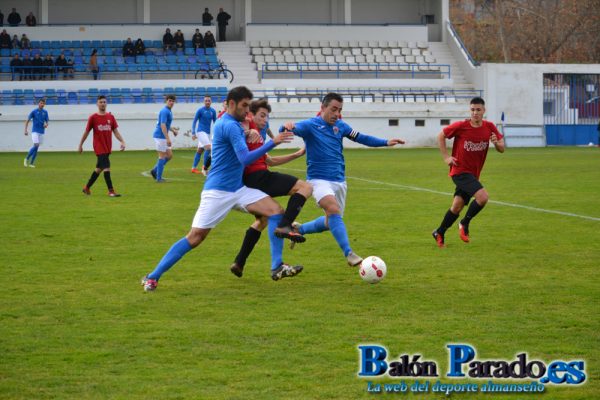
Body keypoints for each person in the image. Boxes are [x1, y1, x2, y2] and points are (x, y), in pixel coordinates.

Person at [141, 86, 299, 292]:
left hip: (238, 189)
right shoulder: (229, 125)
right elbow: (245, 158)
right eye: (244, 106)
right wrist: (273, 142)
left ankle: (277, 266)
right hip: (217, 191)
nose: (247, 111)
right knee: (195, 237)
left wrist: (251, 131)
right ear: (231, 104)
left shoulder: (236, 123)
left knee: (275, 212)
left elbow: (248, 134)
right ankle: (152, 277)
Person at [281, 92, 405, 266]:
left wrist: (385, 141)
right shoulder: (310, 125)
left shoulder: (341, 126)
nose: (337, 114)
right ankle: (349, 253)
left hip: (339, 181)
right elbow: (290, 128)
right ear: (323, 108)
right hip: (318, 180)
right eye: (333, 109)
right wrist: (286, 127)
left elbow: (362, 138)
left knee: (330, 221)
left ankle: (299, 229)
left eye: (339, 110)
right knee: (332, 209)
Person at [230, 99, 311, 277]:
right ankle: (285, 226)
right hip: (258, 178)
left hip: (251, 182)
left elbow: (270, 161)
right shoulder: (246, 126)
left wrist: (297, 154)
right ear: (250, 114)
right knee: (305, 188)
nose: (266, 120)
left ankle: (240, 262)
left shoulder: (259, 136)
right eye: (262, 115)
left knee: (264, 220)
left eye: (267, 116)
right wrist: (247, 130)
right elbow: (236, 126)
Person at [431, 97, 505, 247]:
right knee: (483, 197)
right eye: (472, 109)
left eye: (478, 110)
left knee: (457, 206)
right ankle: (464, 223)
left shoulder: (489, 127)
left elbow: (502, 148)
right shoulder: (461, 126)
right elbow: (441, 136)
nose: (475, 112)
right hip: (460, 171)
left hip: (473, 174)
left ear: (484, 111)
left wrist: (496, 143)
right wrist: (446, 157)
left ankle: (439, 232)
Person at [79, 95, 126, 197]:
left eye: (104, 102)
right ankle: (111, 191)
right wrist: (81, 144)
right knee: (107, 168)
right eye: (101, 102)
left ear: (106, 103)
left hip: (107, 147)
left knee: (98, 169)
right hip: (99, 147)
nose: (103, 104)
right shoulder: (93, 118)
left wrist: (122, 141)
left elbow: (116, 132)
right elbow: (86, 132)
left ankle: (86, 188)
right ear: (97, 104)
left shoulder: (111, 117)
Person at [149, 95, 179, 182]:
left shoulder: (169, 111)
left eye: (173, 101)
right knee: (162, 157)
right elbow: (162, 125)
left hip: (162, 137)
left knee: (169, 156)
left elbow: (166, 125)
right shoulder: (164, 111)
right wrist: (168, 138)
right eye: (170, 100)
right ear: (166, 101)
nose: (171, 102)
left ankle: (154, 170)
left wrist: (173, 130)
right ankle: (159, 178)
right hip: (160, 136)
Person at [191, 95, 217, 175]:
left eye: (209, 100)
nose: (207, 102)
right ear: (204, 102)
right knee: (209, 148)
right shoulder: (200, 110)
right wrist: (193, 133)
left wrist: (217, 133)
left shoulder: (213, 111)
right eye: (206, 100)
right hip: (201, 132)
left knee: (200, 150)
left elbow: (215, 123)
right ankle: (204, 168)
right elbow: (194, 121)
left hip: (207, 133)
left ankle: (193, 168)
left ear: (211, 101)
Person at [24, 99, 50, 168]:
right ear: (38, 103)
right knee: (36, 145)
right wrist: (25, 130)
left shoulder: (45, 112)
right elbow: (27, 121)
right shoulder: (34, 111)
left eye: (43, 103)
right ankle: (26, 158)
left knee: (36, 147)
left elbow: (47, 121)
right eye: (41, 103)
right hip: (35, 131)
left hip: (41, 132)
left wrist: (46, 125)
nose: (42, 104)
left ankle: (31, 163)